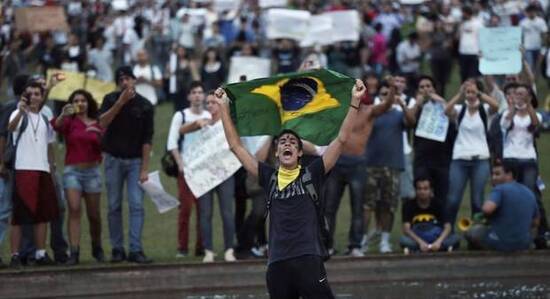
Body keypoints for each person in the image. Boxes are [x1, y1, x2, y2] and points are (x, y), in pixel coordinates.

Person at [214, 78, 365, 298]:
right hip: (277, 264)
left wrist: (354, 102)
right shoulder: (268, 176)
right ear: (276, 152)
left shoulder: (312, 173)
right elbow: (235, 146)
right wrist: (224, 107)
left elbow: (341, 140)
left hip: (308, 259)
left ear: (300, 152)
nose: (287, 143)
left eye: (293, 142)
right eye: (282, 141)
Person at [99, 66, 154, 264]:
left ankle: (136, 249)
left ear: (134, 80)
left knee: (137, 205)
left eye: (128, 78)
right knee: (113, 205)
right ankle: (117, 249)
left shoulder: (146, 105)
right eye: (121, 79)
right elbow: (102, 123)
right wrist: (119, 103)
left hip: (135, 162)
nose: (125, 82)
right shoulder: (109, 99)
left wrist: (145, 168)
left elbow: (148, 139)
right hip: (113, 159)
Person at [7, 81, 59, 267]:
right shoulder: (18, 113)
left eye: (38, 93)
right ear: (25, 96)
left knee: (42, 215)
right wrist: (21, 111)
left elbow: (48, 145)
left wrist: (51, 169)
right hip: (23, 169)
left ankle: (40, 253)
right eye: (32, 94)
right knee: (19, 216)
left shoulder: (44, 118)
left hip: (42, 169)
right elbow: (10, 128)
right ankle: (15, 255)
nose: (35, 97)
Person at [52, 90, 104, 265]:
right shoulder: (69, 121)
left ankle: (97, 247)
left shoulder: (97, 123)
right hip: (72, 171)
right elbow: (56, 126)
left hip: (92, 172)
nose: (80, 103)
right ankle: (74, 252)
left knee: (94, 215)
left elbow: (102, 147)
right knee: (74, 209)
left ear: (89, 103)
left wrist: (96, 136)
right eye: (76, 100)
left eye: (83, 100)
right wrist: (62, 114)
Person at [363, 81, 415, 254]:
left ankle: (384, 241)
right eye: (384, 93)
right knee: (367, 205)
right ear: (379, 96)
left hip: (393, 166)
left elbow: (411, 122)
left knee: (389, 205)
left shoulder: (399, 113)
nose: (388, 96)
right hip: (371, 165)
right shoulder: (372, 112)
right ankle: (362, 240)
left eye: (390, 93)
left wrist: (403, 105)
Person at [444, 80, 499, 227]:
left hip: (480, 159)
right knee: (453, 198)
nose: (470, 95)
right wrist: (460, 94)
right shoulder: (459, 109)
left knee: (477, 199)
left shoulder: (484, 109)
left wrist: (479, 94)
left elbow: (496, 106)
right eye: (468, 92)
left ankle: (476, 233)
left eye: (472, 92)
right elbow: (446, 110)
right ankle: (448, 230)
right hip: (460, 158)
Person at [166, 81, 208, 258]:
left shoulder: (209, 114)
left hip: (204, 169)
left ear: (204, 96)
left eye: (200, 92)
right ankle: (182, 247)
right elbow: (172, 142)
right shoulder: (181, 115)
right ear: (189, 96)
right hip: (186, 169)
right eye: (194, 92)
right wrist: (180, 163)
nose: (197, 95)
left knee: (203, 210)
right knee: (185, 209)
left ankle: (201, 247)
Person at [465, 162, 539, 251]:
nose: (493, 178)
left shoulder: (500, 189)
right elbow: (536, 222)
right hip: (523, 244)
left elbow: (487, 209)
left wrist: (485, 217)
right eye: (492, 174)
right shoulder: (529, 192)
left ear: (509, 175)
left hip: (500, 243)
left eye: (497, 174)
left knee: (472, 232)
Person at [400, 177, 459, 253]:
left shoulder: (438, 204)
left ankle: (423, 249)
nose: (422, 192)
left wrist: (438, 242)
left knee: (455, 238)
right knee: (403, 240)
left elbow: (448, 227)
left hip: (436, 237)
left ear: (431, 190)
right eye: (419, 189)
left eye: (425, 189)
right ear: (415, 190)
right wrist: (420, 242)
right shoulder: (408, 205)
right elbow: (406, 229)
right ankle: (438, 248)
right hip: (417, 238)